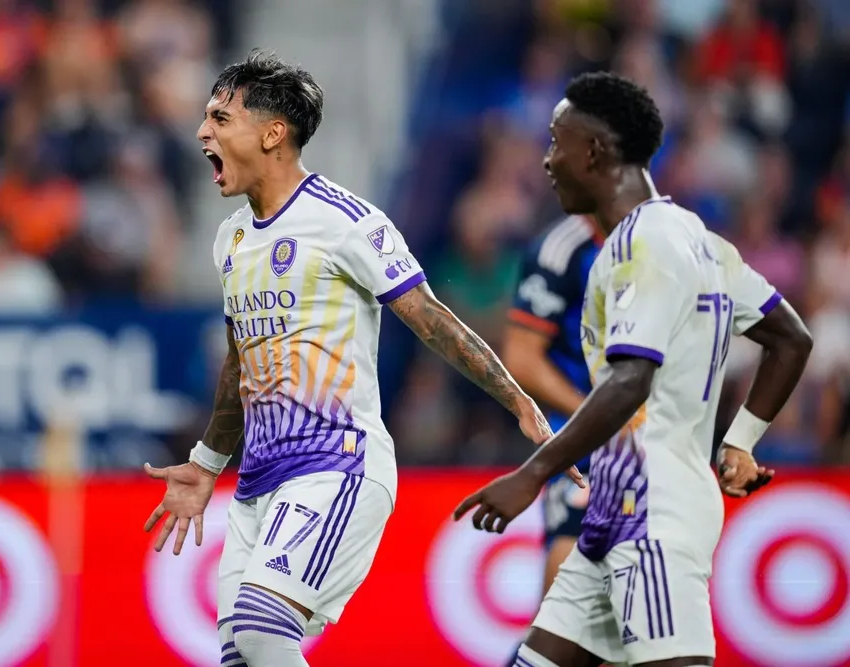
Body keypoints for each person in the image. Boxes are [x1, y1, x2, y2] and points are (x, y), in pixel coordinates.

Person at [139, 50, 580, 667]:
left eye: (220, 116)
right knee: (243, 655)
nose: (202, 130)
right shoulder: (231, 238)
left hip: (336, 464)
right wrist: (208, 463)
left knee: (265, 631)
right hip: (258, 484)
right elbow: (243, 358)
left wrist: (518, 402)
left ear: (272, 134)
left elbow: (431, 319)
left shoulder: (345, 221)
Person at [454, 72, 813, 667]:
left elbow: (629, 379)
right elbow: (789, 338)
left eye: (556, 142)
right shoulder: (699, 240)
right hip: (614, 512)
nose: (547, 161)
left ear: (593, 151)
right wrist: (739, 444)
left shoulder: (638, 246)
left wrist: (533, 474)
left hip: (652, 514)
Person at [502, 213, 600, 663]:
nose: (551, 163)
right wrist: (599, 416)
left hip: (660, 447)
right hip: (586, 446)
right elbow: (520, 358)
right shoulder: (561, 249)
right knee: (565, 598)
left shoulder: (669, 238)